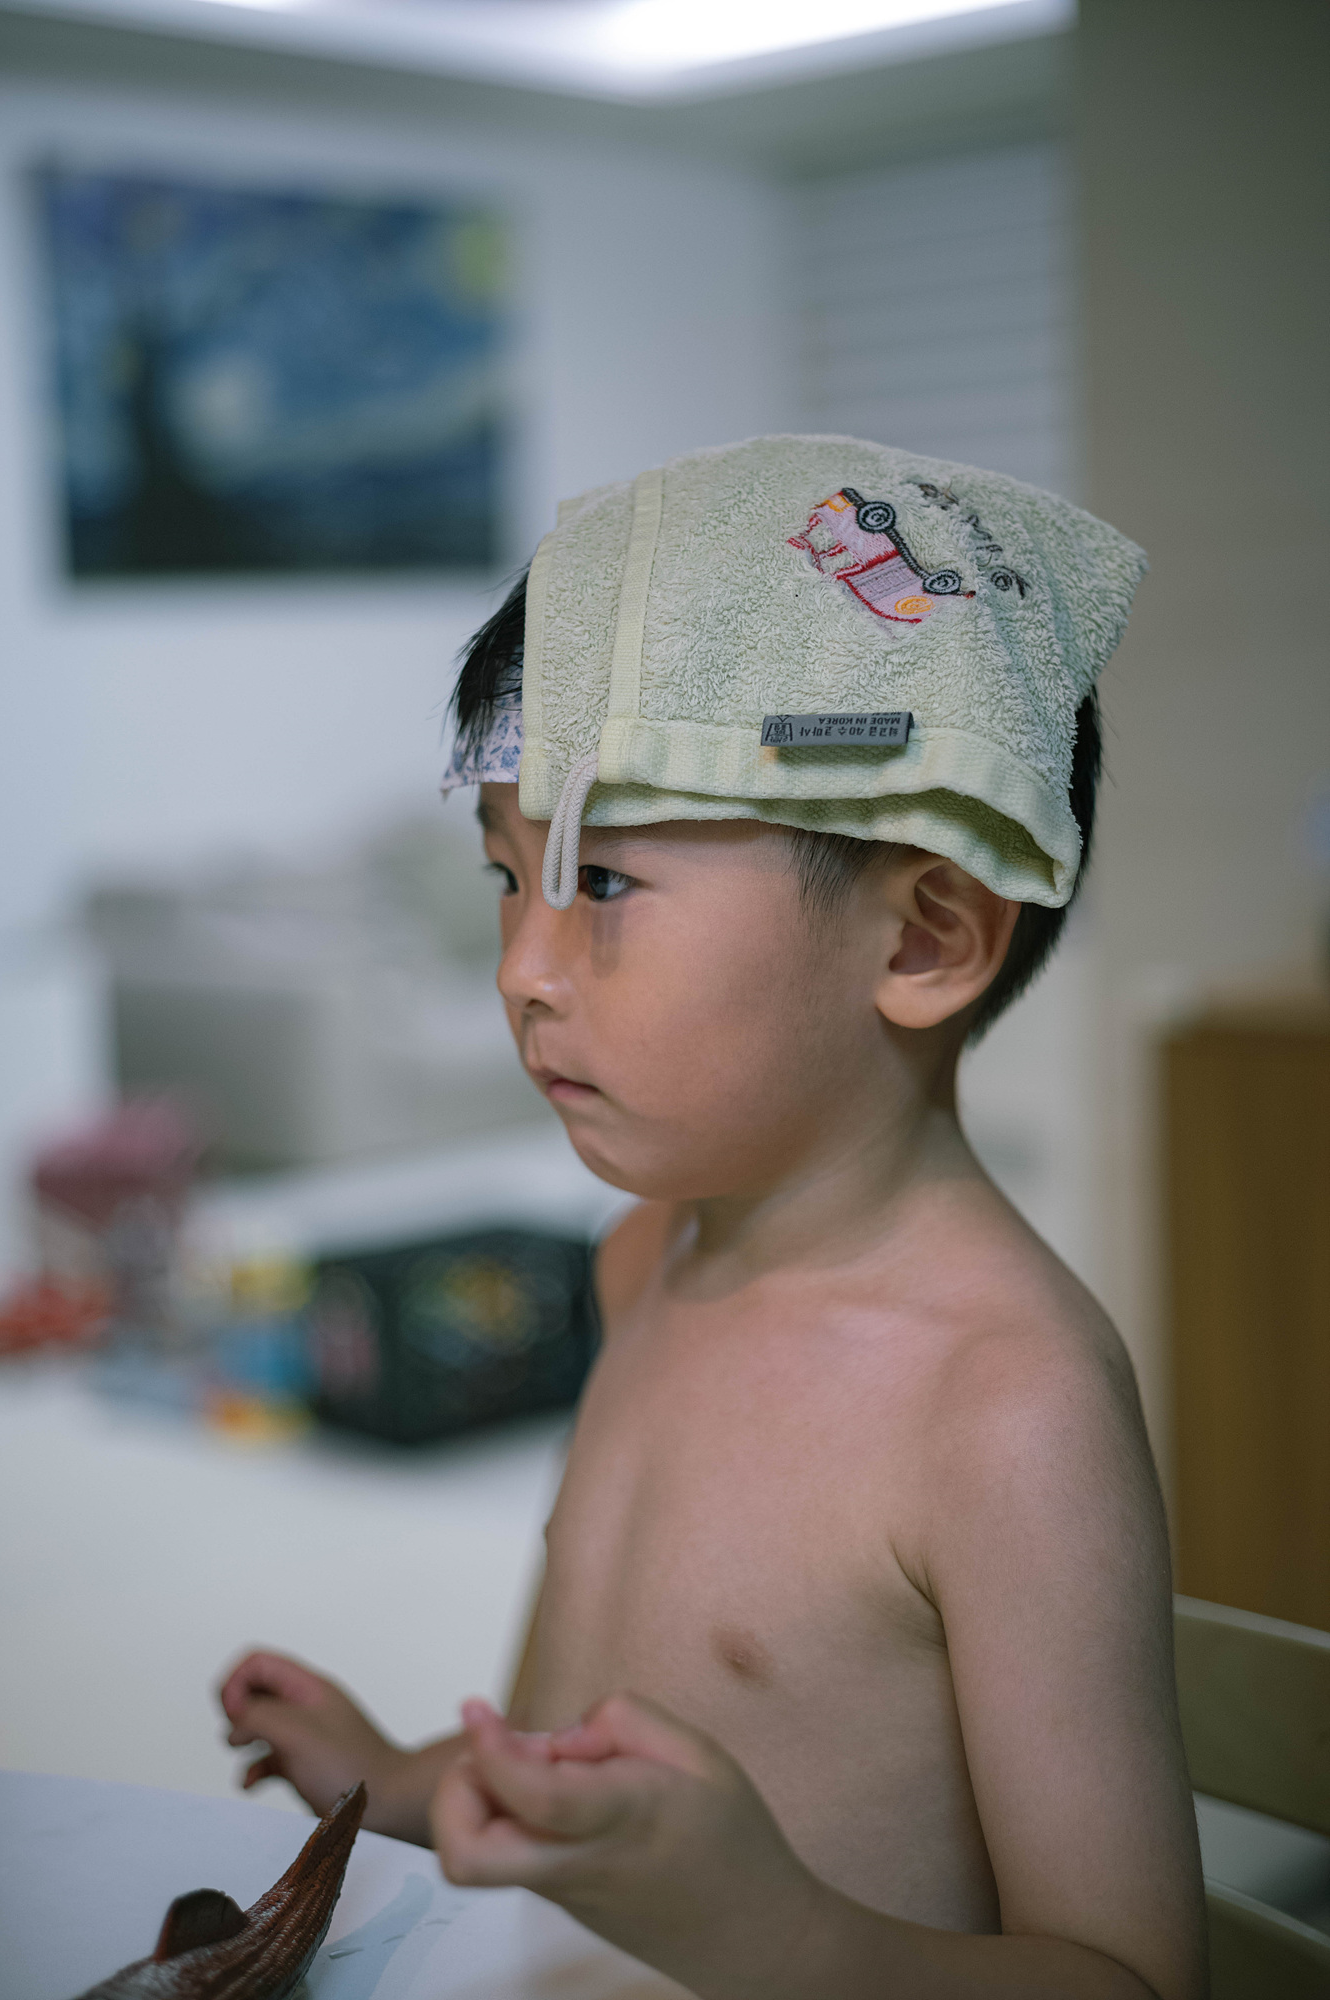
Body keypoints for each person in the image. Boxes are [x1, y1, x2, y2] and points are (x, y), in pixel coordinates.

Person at [219, 439, 1207, 1999]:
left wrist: (771, 1927)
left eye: (602, 883)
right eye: (507, 877)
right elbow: (569, 1750)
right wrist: (403, 1778)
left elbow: (1130, 1980)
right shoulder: (647, 1255)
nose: (520, 970)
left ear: (925, 937)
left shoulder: (1001, 1410)